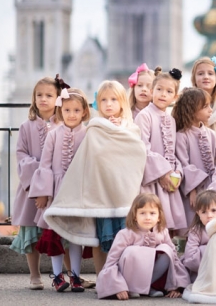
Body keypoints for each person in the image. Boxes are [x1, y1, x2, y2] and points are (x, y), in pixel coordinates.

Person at [43, 80, 146, 276]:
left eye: (114, 99)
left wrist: (120, 130)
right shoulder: (94, 129)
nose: (109, 104)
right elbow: (88, 159)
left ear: (122, 102)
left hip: (123, 193)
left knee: (127, 239)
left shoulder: (130, 128)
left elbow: (136, 152)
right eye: (104, 100)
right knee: (101, 239)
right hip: (101, 194)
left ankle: (127, 278)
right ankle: (102, 277)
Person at [29, 87, 90, 292]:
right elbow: (44, 165)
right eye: (67, 110)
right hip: (56, 191)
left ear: (84, 112)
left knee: (74, 235)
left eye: (76, 110)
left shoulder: (89, 134)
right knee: (55, 234)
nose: (71, 115)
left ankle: (75, 276)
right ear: (60, 112)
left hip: (78, 192)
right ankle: (56, 276)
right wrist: (43, 192)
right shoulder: (53, 135)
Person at [9, 77, 61, 290]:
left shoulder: (63, 125)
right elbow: (21, 154)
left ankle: (66, 274)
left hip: (56, 187)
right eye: (39, 95)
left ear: (57, 98)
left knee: (59, 231)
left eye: (49, 95)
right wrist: (39, 177)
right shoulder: (25, 126)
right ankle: (34, 275)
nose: (43, 99)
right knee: (30, 230)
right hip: (31, 189)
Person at [95, 193, 189, 299]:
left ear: (159, 217)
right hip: (128, 279)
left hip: (153, 276)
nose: (147, 217)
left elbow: (175, 260)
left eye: (152, 213)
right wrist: (117, 287)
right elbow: (111, 261)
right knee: (132, 251)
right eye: (142, 213)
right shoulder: (125, 234)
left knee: (167, 250)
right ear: (135, 216)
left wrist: (176, 286)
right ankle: (131, 288)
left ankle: (149, 288)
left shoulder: (163, 232)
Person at [135, 68, 186, 232]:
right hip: (153, 181)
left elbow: (171, 151)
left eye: (169, 91)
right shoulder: (144, 115)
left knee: (168, 226)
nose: (163, 94)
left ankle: (169, 255)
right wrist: (162, 173)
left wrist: (177, 171)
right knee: (153, 223)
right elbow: (143, 148)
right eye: (159, 89)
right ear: (152, 91)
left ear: (175, 97)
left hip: (169, 180)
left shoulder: (171, 120)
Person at [173, 88, 216, 226]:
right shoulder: (182, 136)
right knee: (194, 223)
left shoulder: (211, 134)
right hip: (193, 190)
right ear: (192, 110)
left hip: (212, 188)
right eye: (205, 106)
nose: (210, 110)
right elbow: (184, 164)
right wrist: (192, 191)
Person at [182, 190, 216, 283]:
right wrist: (208, 250)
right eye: (204, 212)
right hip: (200, 273)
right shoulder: (196, 231)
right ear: (198, 213)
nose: (209, 215)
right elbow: (190, 258)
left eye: (214, 210)